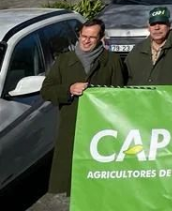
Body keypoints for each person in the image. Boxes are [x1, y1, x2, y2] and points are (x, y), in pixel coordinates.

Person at [41, 19, 124, 195]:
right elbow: (46, 91)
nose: (86, 41)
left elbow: (121, 96)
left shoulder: (112, 61)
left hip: (101, 131)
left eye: (92, 38)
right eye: (83, 36)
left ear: (101, 38)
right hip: (72, 129)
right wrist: (69, 89)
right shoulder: (64, 61)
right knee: (74, 183)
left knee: (100, 183)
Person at [125, 6, 172, 85]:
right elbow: (126, 77)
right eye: (153, 24)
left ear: (169, 25)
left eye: (161, 23)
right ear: (148, 27)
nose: (157, 28)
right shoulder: (138, 49)